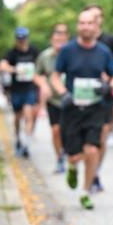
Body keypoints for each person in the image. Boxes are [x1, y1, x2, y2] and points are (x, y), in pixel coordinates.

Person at [51, 9, 113, 210]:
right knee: (74, 155)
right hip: (72, 108)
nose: (86, 27)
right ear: (77, 26)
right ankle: (72, 166)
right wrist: (63, 93)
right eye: (82, 23)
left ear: (96, 26)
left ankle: (85, 191)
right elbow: (55, 76)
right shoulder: (67, 51)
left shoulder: (103, 52)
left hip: (95, 108)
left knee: (92, 149)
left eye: (90, 23)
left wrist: (108, 86)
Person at [88, 4, 113, 188]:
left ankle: (95, 173)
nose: (95, 20)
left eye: (98, 16)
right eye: (91, 16)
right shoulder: (78, 41)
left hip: (105, 94)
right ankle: (85, 166)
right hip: (83, 95)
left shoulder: (110, 40)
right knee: (86, 142)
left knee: (102, 134)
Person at [0, 27, 40, 158]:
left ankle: (26, 144)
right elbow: (2, 65)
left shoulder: (34, 51)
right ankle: (18, 139)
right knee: (18, 117)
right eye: (19, 38)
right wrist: (16, 69)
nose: (21, 41)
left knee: (29, 115)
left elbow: (40, 66)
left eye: (23, 38)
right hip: (16, 89)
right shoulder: (12, 52)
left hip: (30, 88)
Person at [36, 23, 70, 173]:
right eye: (57, 39)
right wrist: (43, 85)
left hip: (71, 99)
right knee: (56, 130)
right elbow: (37, 74)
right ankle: (59, 158)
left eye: (63, 38)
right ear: (52, 40)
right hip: (53, 100)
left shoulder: (73, 54)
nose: (60, 42)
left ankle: (69, 152)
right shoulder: (45, 56)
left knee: (68, 131)